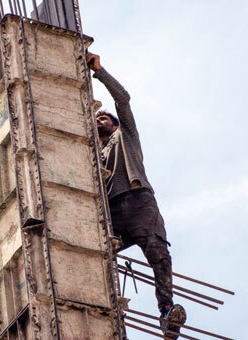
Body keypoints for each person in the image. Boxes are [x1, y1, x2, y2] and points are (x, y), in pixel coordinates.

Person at [86, 52, 186, 339]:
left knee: (158, 254)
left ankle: (166, 312)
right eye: (95, 117)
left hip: (138, 201)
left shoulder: (125, 135)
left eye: (103, 117)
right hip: (113, 213)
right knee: (96, 255)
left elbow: (123, 100)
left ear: (115, 124)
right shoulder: (92, 154)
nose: (99, 118)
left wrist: (99, 71)